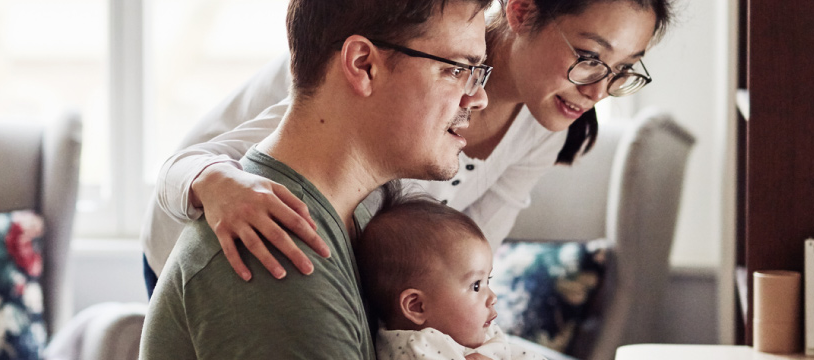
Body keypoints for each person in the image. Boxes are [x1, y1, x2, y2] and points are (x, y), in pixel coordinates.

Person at [143, 0, 676, 290]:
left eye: (624, 71)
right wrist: (216, 183)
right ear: (520, 9)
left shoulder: (543, 120)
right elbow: (183, 165)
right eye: (589, 55)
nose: (598, 90)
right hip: (194, 232)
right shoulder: (401, 66)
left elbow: (465, 255)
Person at [139, 0, 493, 358]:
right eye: (457, 70)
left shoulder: (371, 207)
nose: (478, 97)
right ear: (363, 65)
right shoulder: (276, 256)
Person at [356, 189, 545, 360]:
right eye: (476, 285)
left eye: (488, 280)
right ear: (417, 306)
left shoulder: (473, 331)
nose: (493, 297)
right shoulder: (419, 348)